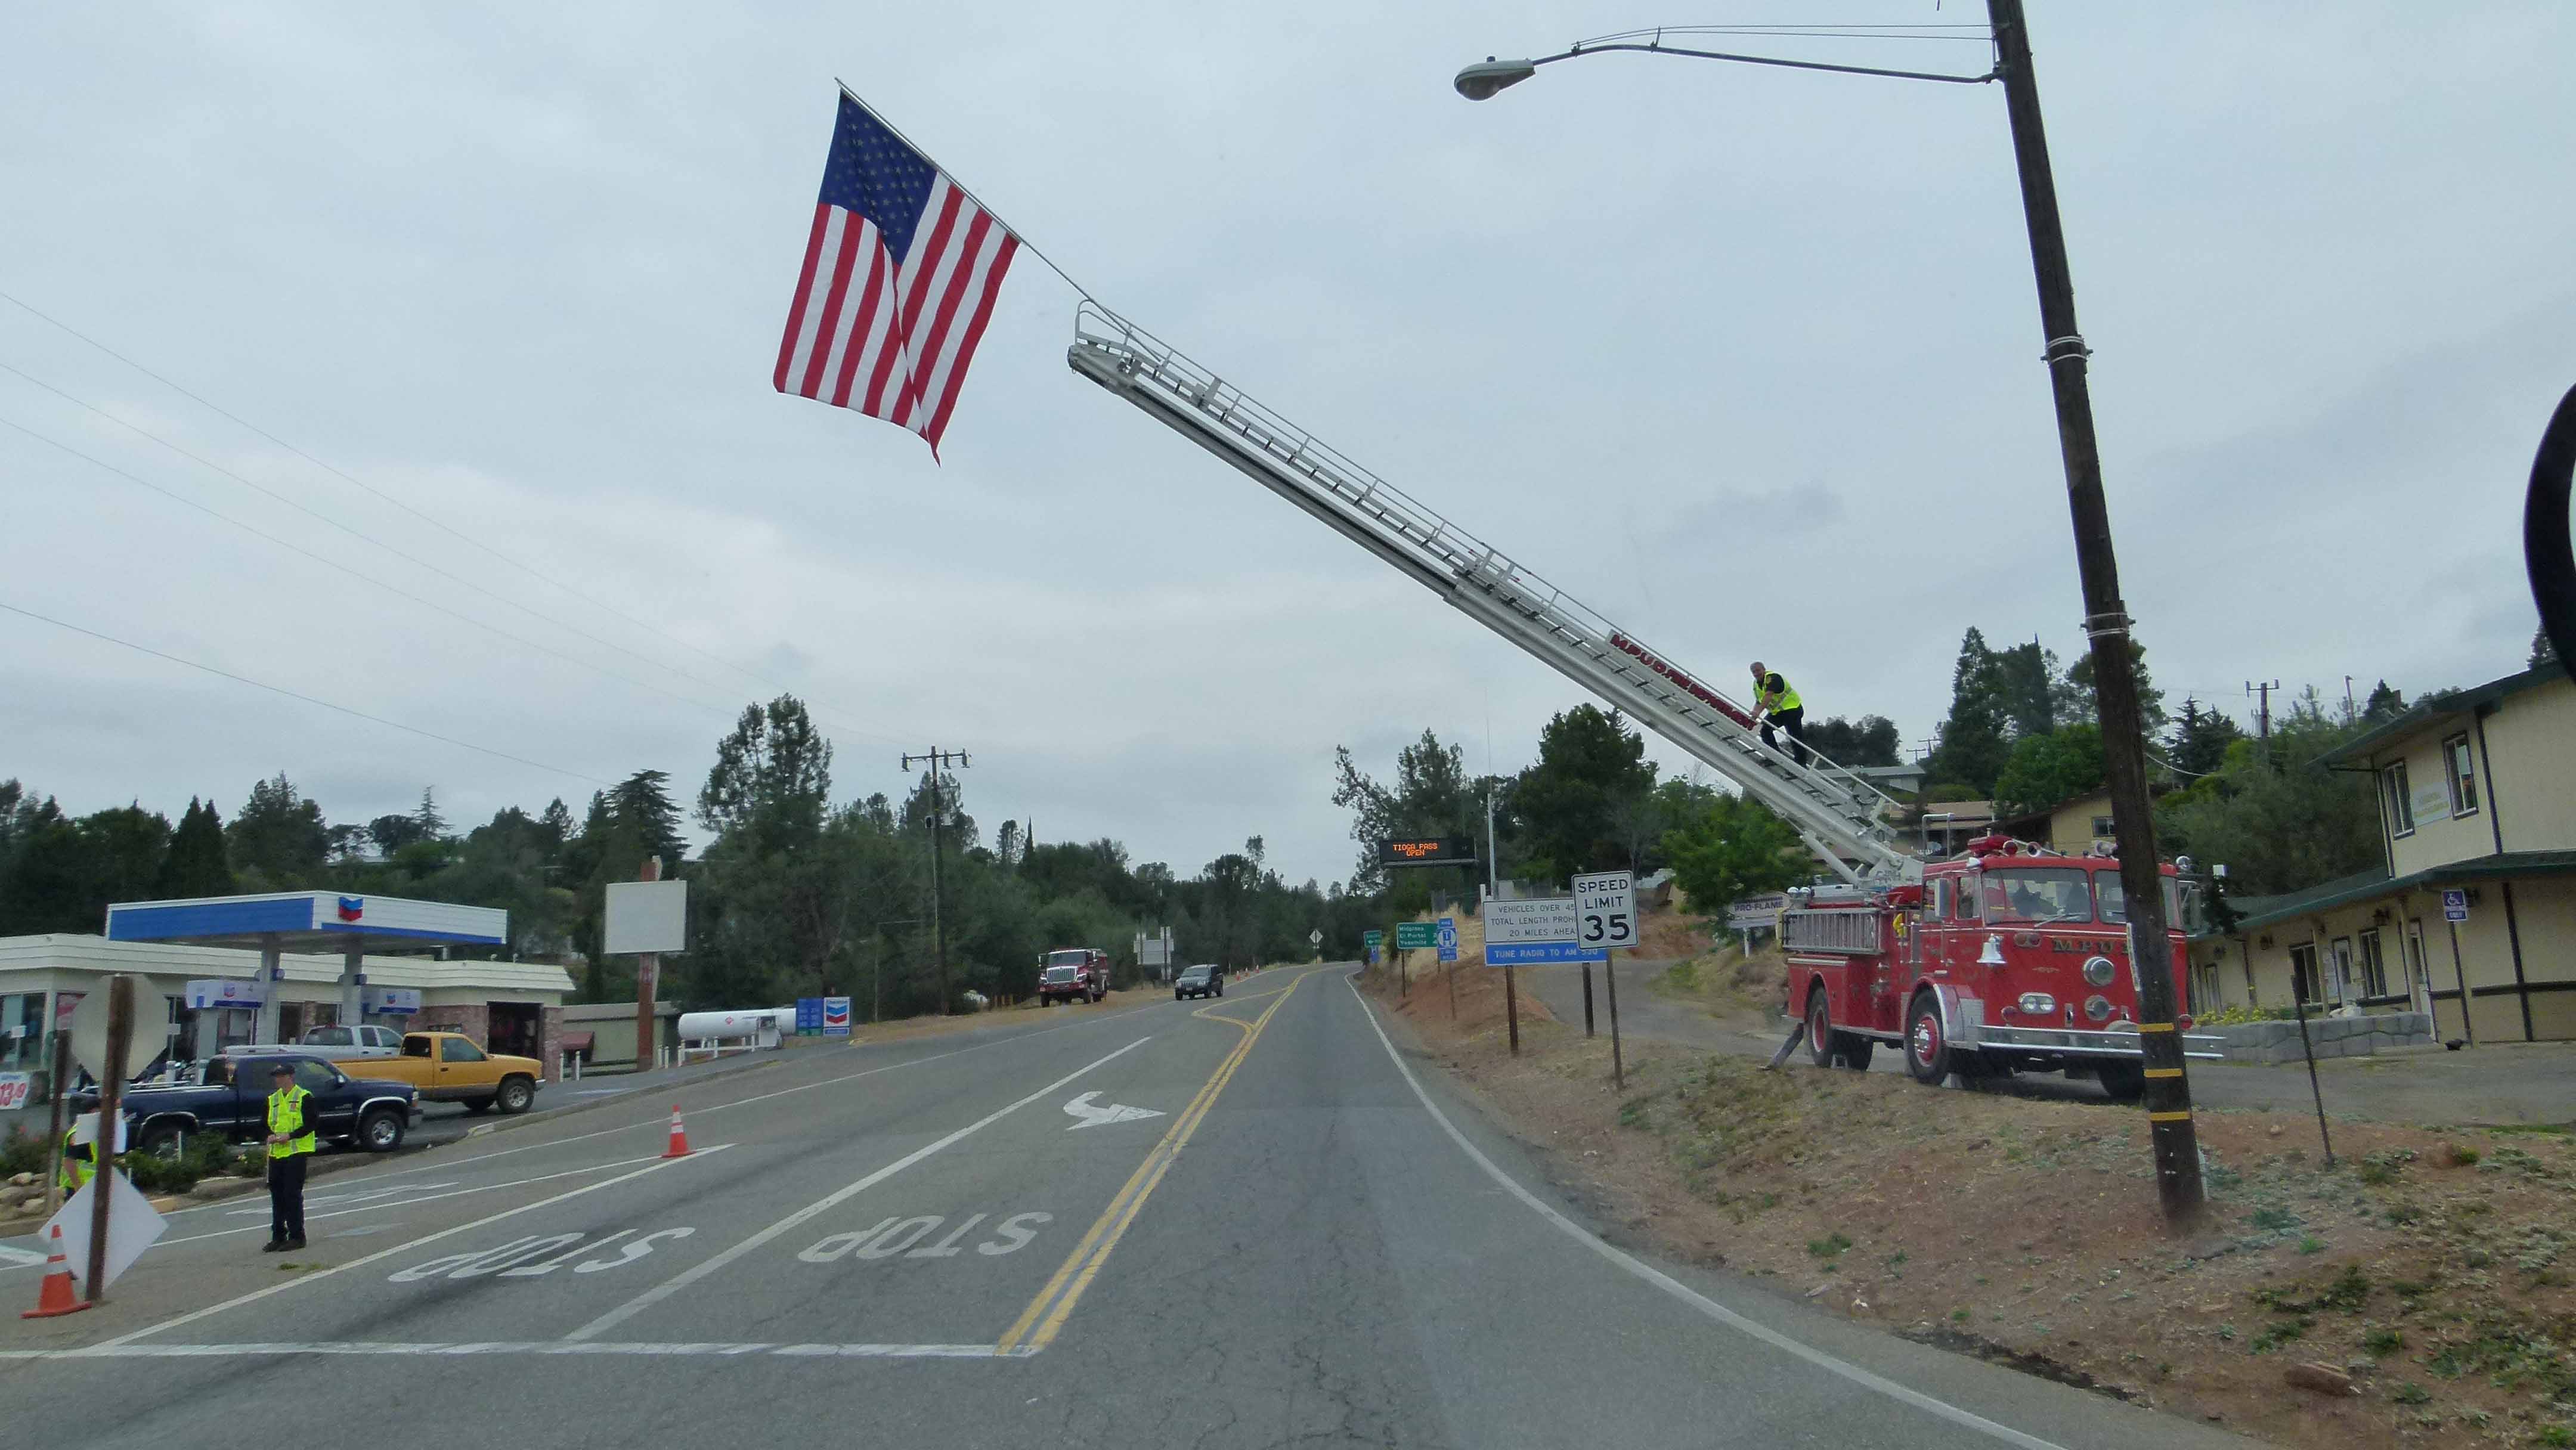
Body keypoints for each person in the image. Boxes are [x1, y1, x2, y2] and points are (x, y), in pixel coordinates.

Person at [264, 1062, 316, 1253]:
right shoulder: (273, 1099)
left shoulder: (304, 1096)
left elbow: (311, 1124)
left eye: (282, 1076)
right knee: (277, 1196)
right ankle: (278, 1236)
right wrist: (269, 1135)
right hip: (276, 1153)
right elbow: (265, 1123)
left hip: (297, 1152)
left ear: (291, 1077)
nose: (278, 1079)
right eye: (276, 1076)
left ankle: (297, 1236)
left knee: (292, 1195)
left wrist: (291, 1136)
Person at [1748, 662, 1810, 767]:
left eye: (1758, 671)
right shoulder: (1756, 684)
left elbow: (1769, 695)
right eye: (1754, 672)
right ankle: (1775, 757)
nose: (1756, 674)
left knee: (1795, 737)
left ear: (1764, 669)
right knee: (1764, 730)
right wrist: (1753, 716)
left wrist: (1758, 712)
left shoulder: (1772, 678)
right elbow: (1759, 701)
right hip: (1777, 713)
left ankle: (1801, 764)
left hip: (1792, 709)